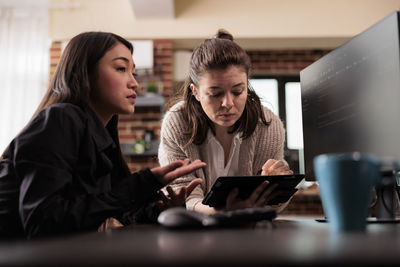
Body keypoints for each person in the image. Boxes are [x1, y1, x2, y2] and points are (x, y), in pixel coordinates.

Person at [0, 31, 206, 239]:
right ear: (86, 72)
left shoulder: (100, 133)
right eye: (121, 68)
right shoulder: (61, 119)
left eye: (132, 72)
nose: (134, 82)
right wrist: (141, 183)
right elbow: (43, 223)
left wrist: (160, 209)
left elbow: (109, 209)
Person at [158, 29, 292, 214]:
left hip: (250, 231)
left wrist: (278, 184)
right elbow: (181, 193)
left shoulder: (267, 124)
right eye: (215, 94)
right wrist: (220, 212)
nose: (228, 103)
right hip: (193, 233)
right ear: (195, 92)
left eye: (238, 91)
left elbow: (270, 205)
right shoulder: (177, 122)